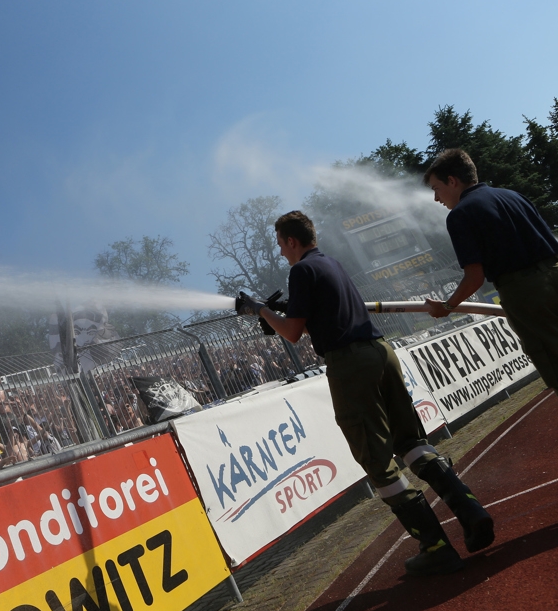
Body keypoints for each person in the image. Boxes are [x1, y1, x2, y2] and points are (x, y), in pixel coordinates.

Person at [239, 210, 494, 577]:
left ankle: (435, 546)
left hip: (350, 364)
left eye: (281, 244)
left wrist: (261, 310)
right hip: (379, 351)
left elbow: (293, 333)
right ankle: (471, 511)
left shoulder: (301, 271)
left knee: (376, 459)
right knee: (410, 441)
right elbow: (321, 320)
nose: (281, 252)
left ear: (292, 241)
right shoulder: (331, 264)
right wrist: (282, 312)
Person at [423, 149, 558, 391]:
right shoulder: (513, 195)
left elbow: (474, 278)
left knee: (552, 356)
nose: (436, 198)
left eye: (436, 189)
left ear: (452, 181)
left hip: (527, 294)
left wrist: (447, 307)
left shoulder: (460, 215)